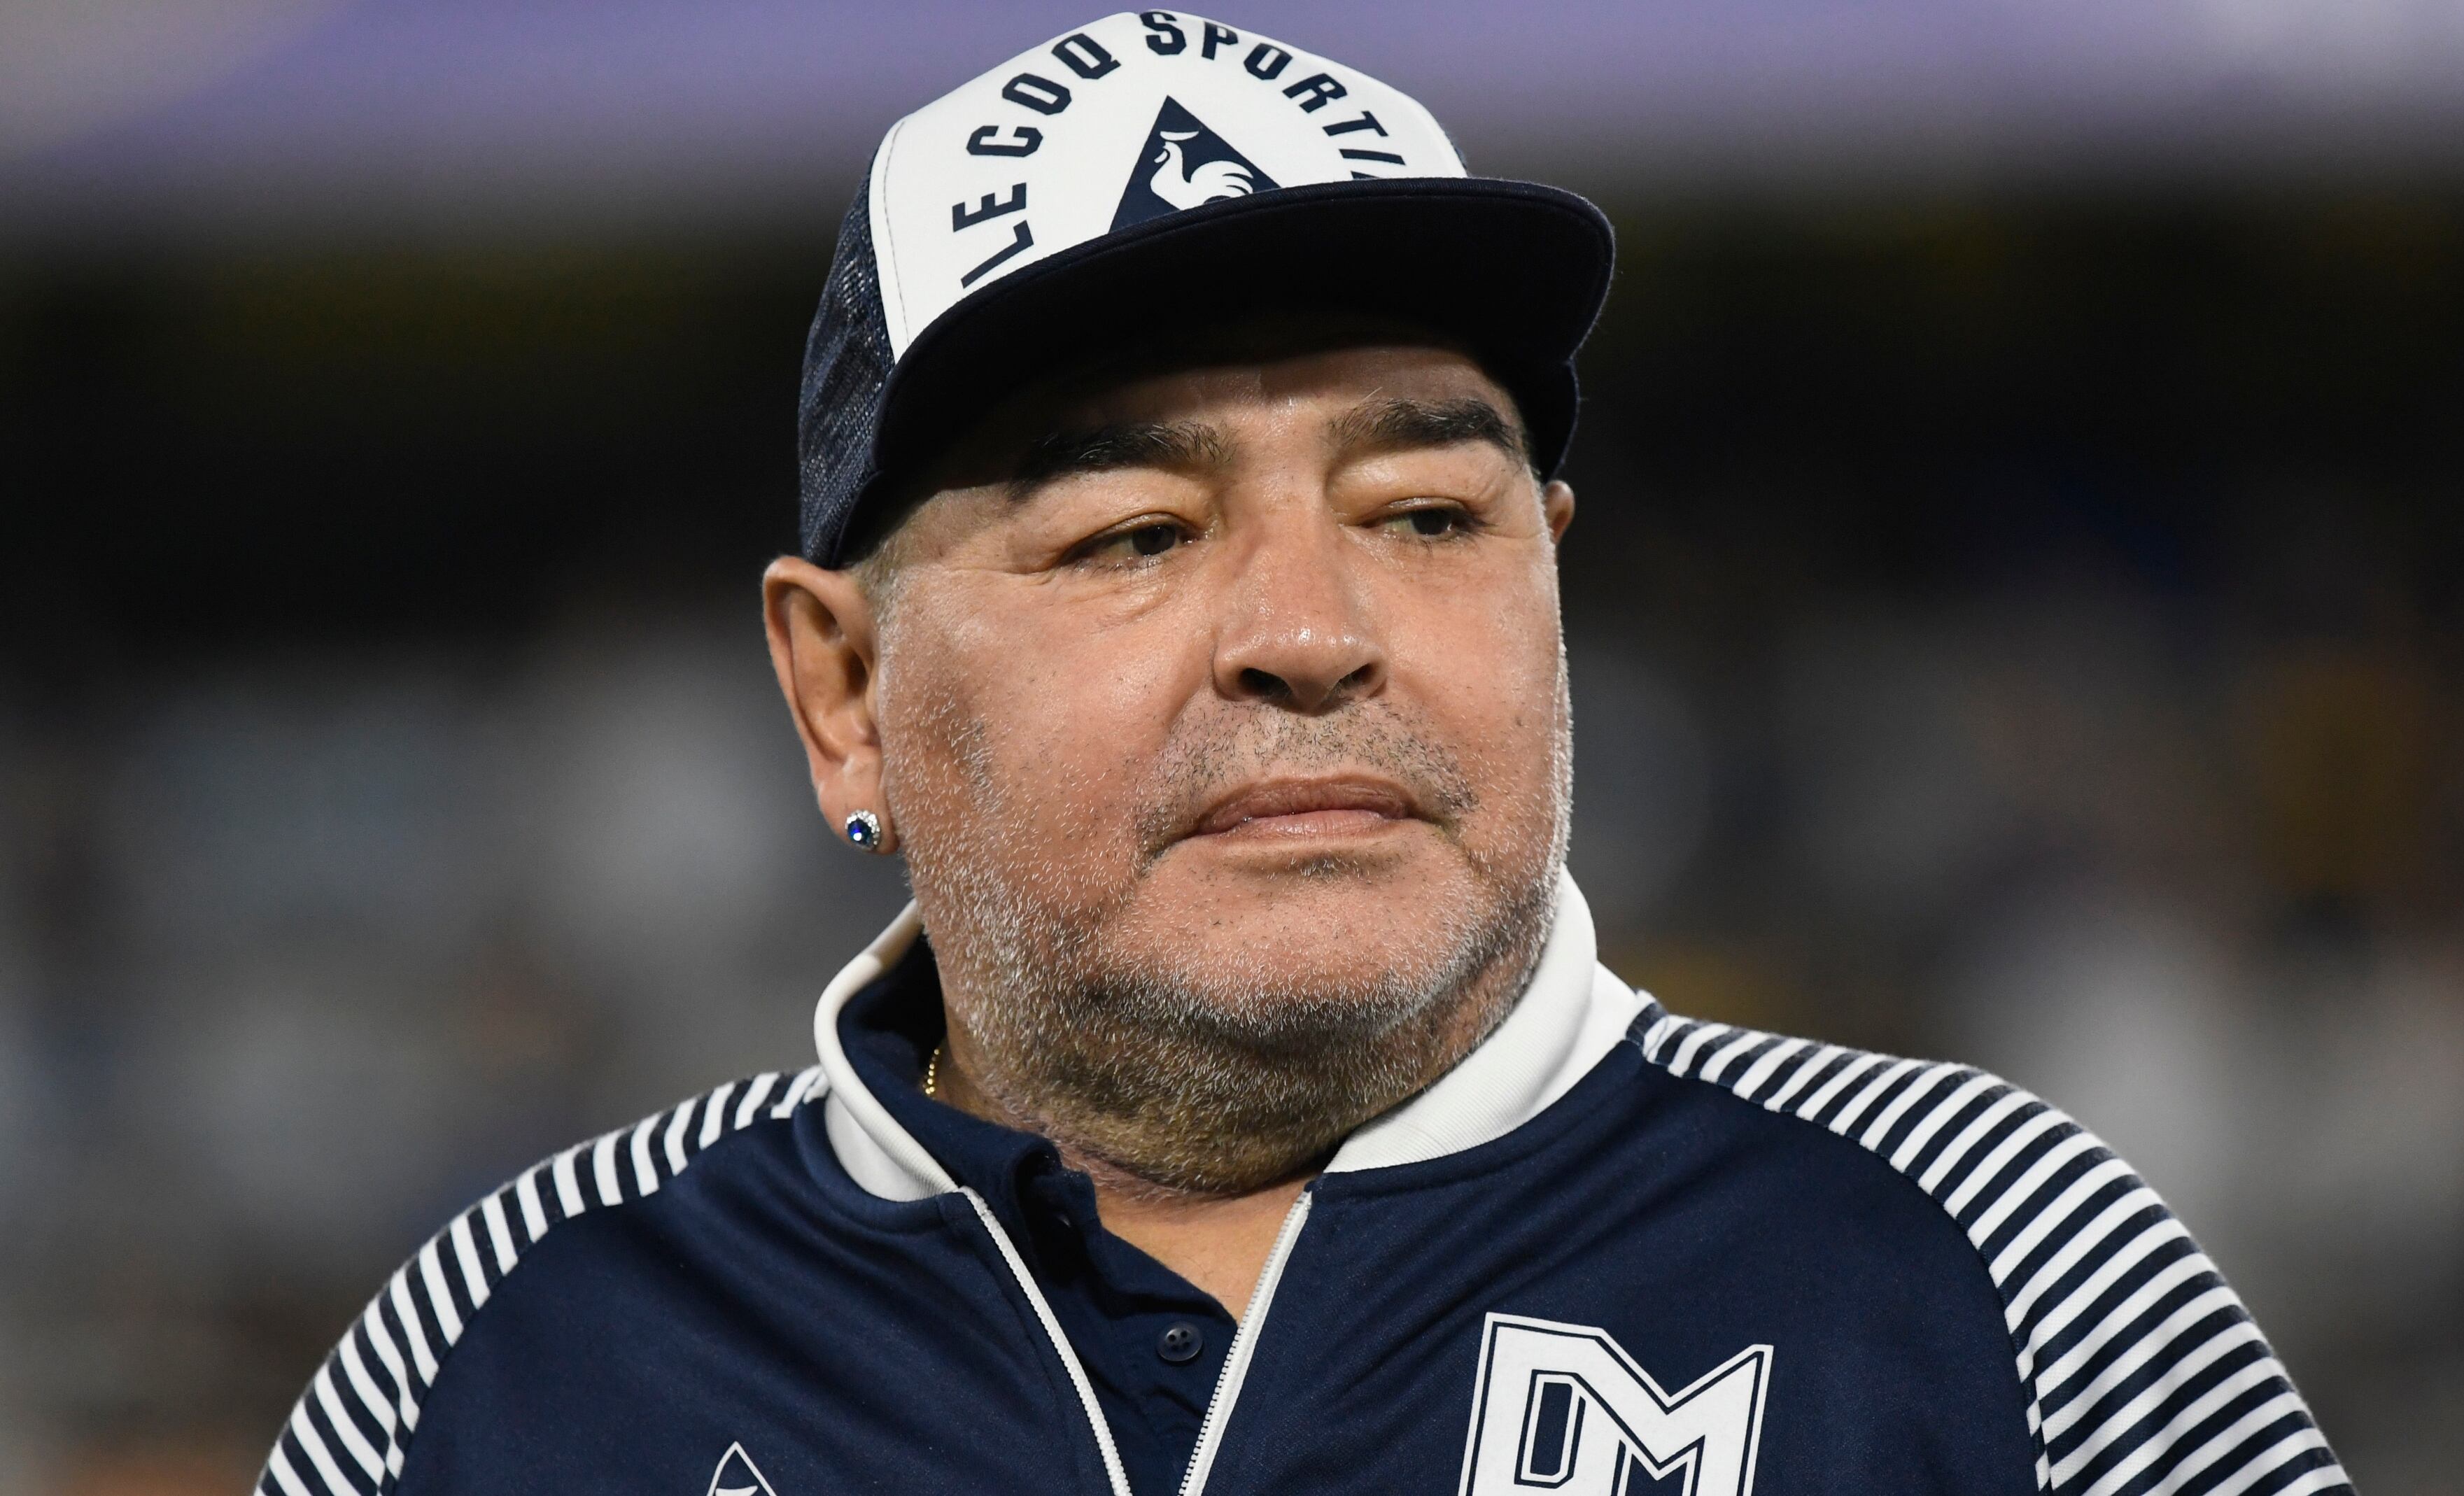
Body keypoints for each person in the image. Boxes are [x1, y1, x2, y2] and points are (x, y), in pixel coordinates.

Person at [256, 13, 2350, 1496]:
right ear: (842, 692)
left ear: (1552, 584)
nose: (1311, 635)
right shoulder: (509, 1354)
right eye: (1138, 536)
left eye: (1426, 515)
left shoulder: (2001, 1271)